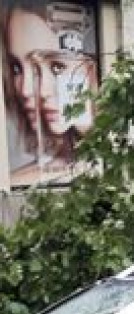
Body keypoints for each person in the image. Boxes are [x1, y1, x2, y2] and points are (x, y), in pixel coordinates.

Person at [2, 0, 98, 185]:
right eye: (16, 69)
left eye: (56, 67)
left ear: (92, 69)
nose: (25, 90)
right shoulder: (22, 180)